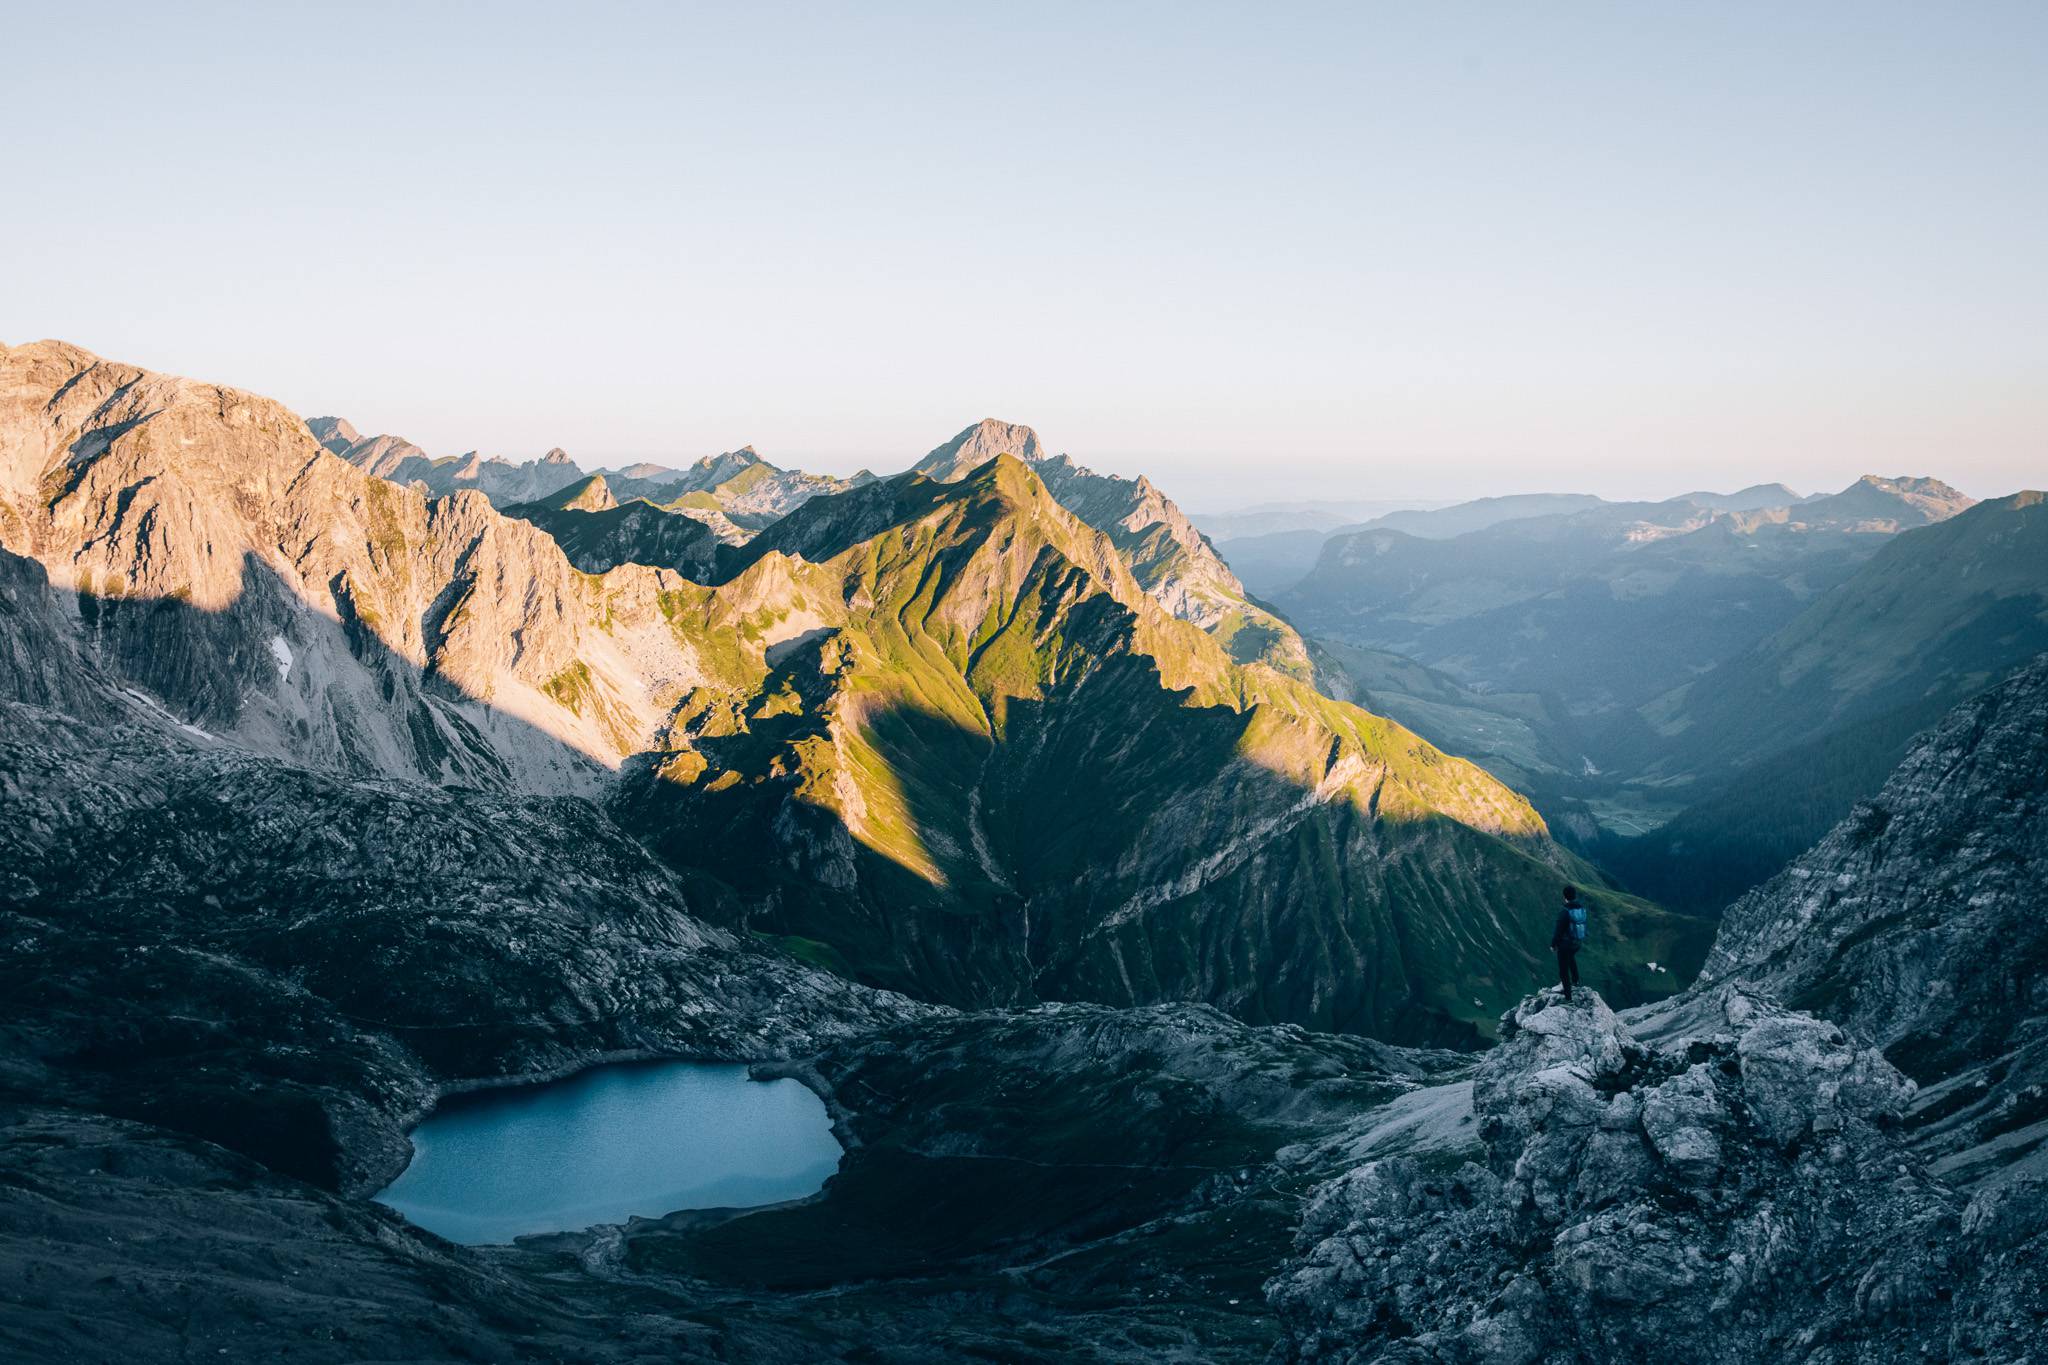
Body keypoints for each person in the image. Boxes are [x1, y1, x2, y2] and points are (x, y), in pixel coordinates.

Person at [1550, 885, 1587, 1002]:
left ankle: (1568, 998)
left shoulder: (1565, 912)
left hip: (1565, 945)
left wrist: (1553, 945)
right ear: (1575, 896)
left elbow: (1558, 931)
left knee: (1563, 971)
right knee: (1571, 958)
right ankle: (1575, 981)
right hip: (1577, 942)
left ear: (1564, 896)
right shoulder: (1581, 908)